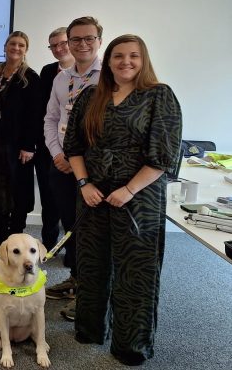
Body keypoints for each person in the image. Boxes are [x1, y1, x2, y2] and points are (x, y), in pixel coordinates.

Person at [63, 34, 182, 366]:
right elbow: (73, 147)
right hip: (93, 195)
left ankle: (131, 345)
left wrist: (129, 190)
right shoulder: (91, 96)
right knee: (91, 265)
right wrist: (84, 183)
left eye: (133, 56)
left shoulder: (159, 96)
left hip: (139, 198)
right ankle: (89, 330)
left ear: (143, 60)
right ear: (109, 60)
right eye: (118, 56)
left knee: (135, 272)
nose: (125, 62)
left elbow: (164, 156)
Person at [43, 17, 103, 321]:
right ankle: (77, 282)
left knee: (92, 232)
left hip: (93, 171)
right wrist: (56, 153)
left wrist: (79, 160)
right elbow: (52, 119)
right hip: (61, 166)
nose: (81, 45)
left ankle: (90, 295)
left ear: (99, 41)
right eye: (75, 39)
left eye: (88, 39)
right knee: (72, 229)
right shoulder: (61, 78)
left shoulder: (108, 76)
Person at [0, 31, 41, 252]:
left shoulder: (30, 78)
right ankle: (0, 237)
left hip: (18, 146)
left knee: (17, 193)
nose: (16, 48)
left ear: (26, 50)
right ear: (5, 46)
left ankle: (15, 239)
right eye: (12, 44)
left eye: (21, 45)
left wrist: (28, 145)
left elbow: (35, 115)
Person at [36, 27, 74, 251]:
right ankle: (48, 244)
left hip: (76, 151)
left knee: (71, 204)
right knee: (48, 200)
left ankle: (72, 251)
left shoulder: (94, 75)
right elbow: (43, 111)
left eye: (62, 43)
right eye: (53, 46)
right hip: (48, 148)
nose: (59, 49)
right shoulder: (48, 71)